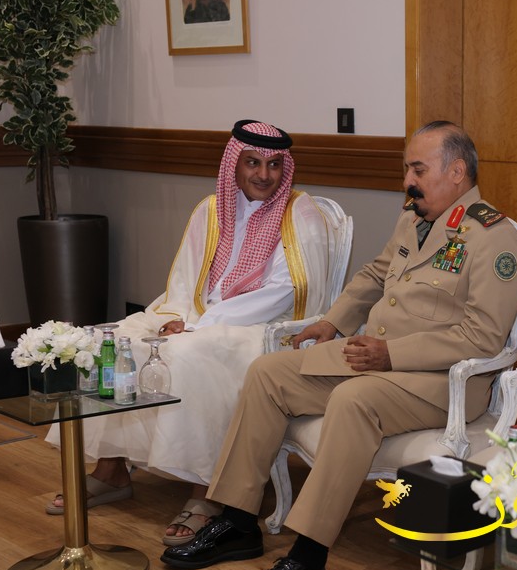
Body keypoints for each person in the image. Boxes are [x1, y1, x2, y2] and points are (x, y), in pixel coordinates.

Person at [160, 121, 517, 570]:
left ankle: (308, 561)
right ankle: (240, 521)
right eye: (407, 169)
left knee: (353, 401)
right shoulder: (414, 216)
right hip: (374, 357)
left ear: (457, 172)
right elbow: (376, 273)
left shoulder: (493, 237)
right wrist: (333, 322)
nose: (407, 181)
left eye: (418, 170)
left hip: (442, 381)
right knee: (268, 373)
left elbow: (483, 338)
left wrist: (390, 355)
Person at [46, 120, 340, 547]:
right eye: (253, 163)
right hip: (196, 314)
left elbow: (289, 291)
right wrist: (177, 317)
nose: (264, 174)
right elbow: (185, 278)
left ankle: (208, 490)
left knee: (188, 354)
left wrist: (199, 325)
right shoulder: (210, 209)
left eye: (274, 165)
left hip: (260, 329)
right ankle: (110, 469)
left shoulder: (301, 213)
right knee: (110, 341)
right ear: (233, 164)